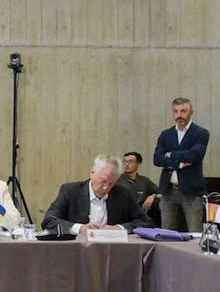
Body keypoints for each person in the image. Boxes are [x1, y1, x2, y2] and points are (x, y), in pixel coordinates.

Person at [42, 155, 151, 235]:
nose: (106, 187)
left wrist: (119, 228)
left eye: (111, 183)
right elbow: (49, 221)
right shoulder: (70, 191)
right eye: (103, 181)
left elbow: (145, 222)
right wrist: (80, 228)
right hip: (77, 250)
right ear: (92, 172)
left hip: (113, 251)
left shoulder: (123, 193)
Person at [153, 97, 210, 232]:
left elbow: (194, 156)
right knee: (166, 232)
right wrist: (179, 164)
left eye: (183, 111)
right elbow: (157, 159)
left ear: (191, 112)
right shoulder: (166, 134)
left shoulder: (200, 133)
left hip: (191, 190)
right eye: (176, 111)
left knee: (194, 232)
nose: (179, 115)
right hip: (168, 190)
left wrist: (170, 154)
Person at [120, 151, 161, 221]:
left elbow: (163, 193)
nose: (126, 164)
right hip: (125, 211)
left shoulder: (144, 180)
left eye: (130, 161)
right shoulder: (118, 179)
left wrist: (153, 196)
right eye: (125, 161)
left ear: (138, 164)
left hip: (143, 212)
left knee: (158, 203)